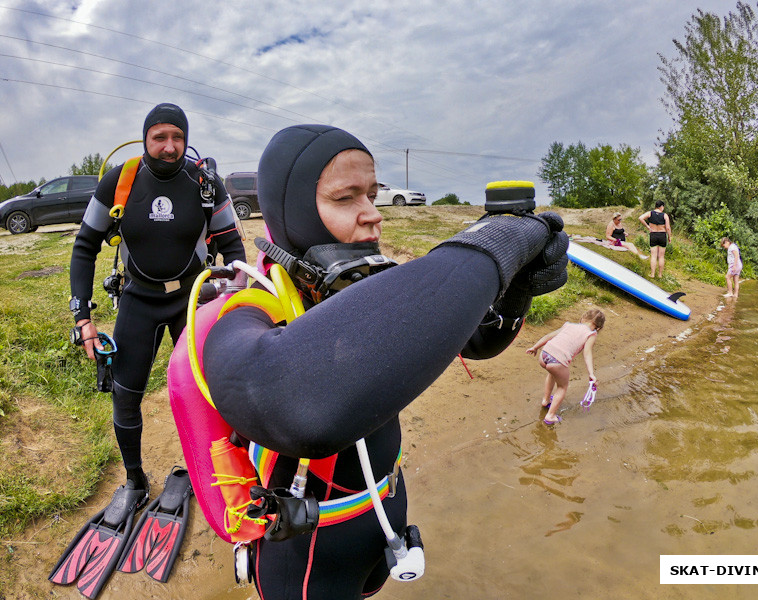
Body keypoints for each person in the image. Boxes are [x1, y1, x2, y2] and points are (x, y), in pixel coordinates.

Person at [201, 124, 569, 599]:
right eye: (346, 198)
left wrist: (517, 286)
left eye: (372, 195)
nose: (373, 215)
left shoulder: (371, 286)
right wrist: (487, 250)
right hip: (308, 552)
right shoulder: (246, 308)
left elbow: (477, 341)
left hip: (385, 514)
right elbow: (292, 406)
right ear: (291, 211)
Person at [69, 103, 247, 501]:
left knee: (212, 393)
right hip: (139, 300)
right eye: (160, 137)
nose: (169, 146)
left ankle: (218, 475)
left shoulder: (204, 182)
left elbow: (232, 245)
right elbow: (84, 247)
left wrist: (234, 296)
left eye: (177, 137)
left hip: (192, 300)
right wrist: (83, 319)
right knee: (125, 393)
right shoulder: (120, 181)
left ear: (186, 140)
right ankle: (135, 481)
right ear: (146, 138)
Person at [525, 308, 604, 425]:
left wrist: (535, 347)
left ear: (583, 318)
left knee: (552, 374)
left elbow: (549, 336)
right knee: (562, 387)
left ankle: (546, 400)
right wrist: (591, 374)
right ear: (598, 328)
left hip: (544, 355)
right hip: (557, 361)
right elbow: (587, 353)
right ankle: (550, 416)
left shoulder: (568, 325)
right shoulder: (591, 334)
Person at [638, 200, 671, 278]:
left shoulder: (650, 213)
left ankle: (652, 274)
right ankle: (660, 275)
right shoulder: (665, 215)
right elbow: (668, 228)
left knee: (653, 256)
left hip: (653, 234)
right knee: (661, 256)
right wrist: (669, 237)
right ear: (661, 206)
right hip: (662, 235)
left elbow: (640, 218)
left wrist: (648, 226)